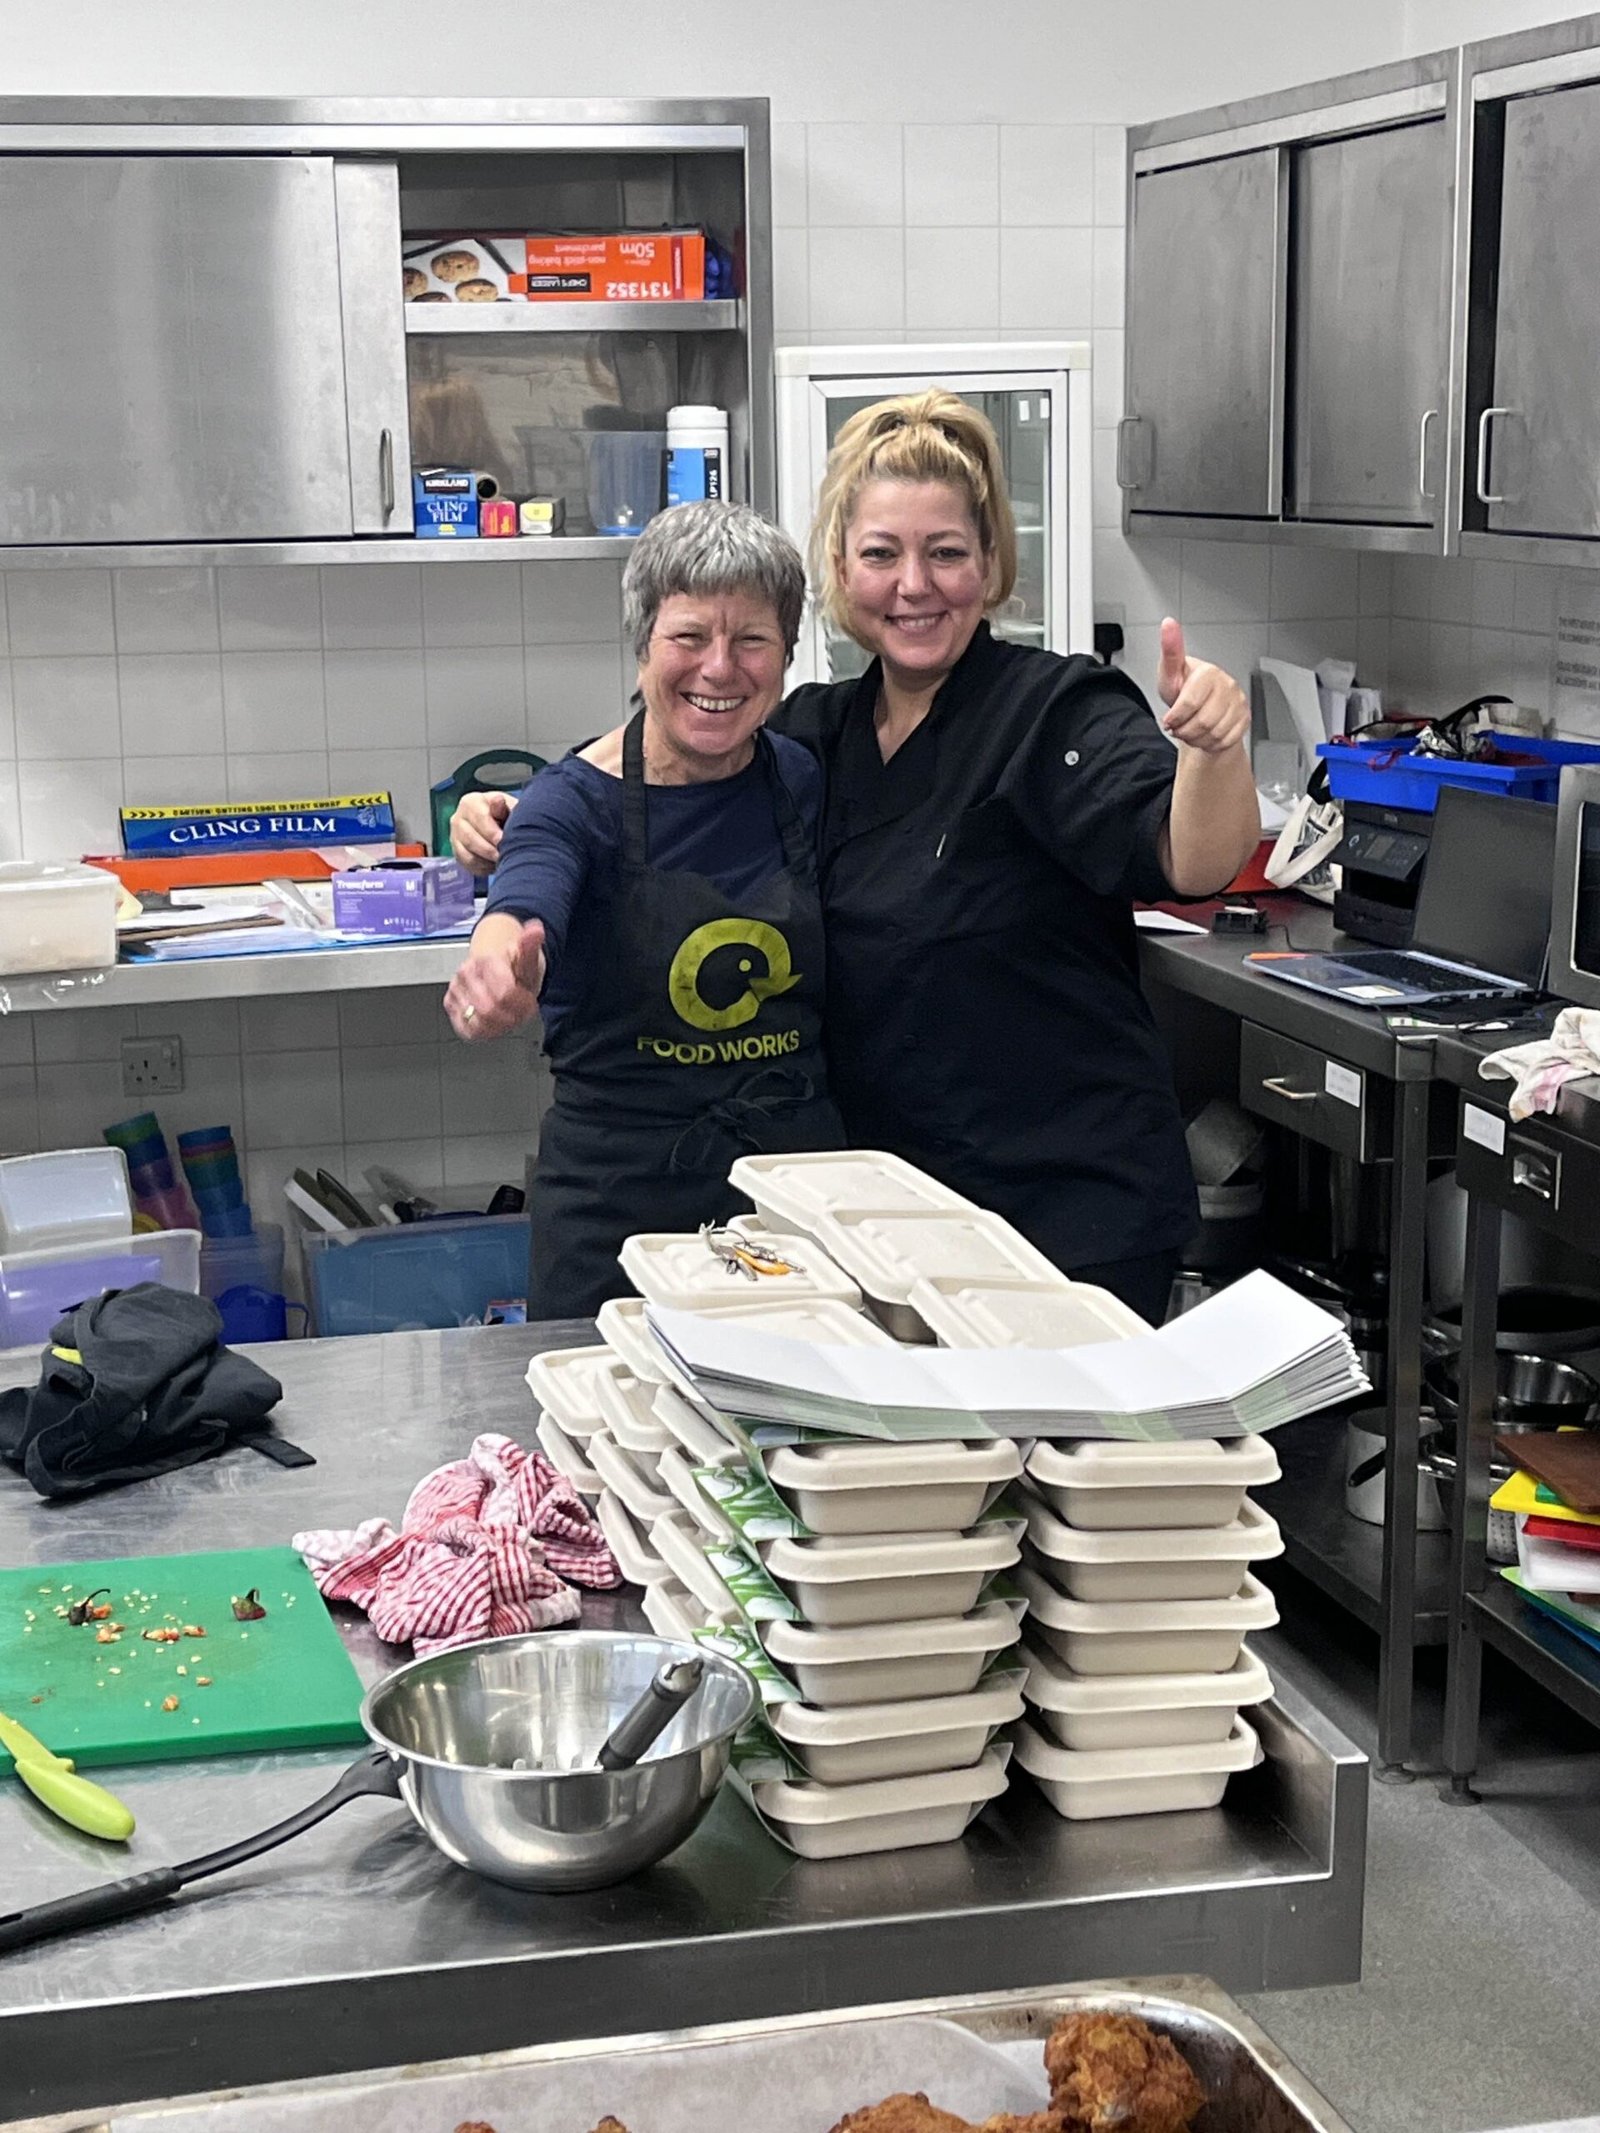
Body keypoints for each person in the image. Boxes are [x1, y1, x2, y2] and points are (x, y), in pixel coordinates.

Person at [454, 395, 1257, 1324]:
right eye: (882, 554)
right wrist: (523, 816)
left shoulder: (1057, 710)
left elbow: (1192, 858)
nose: (914, 584)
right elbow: (664, 756)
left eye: (946, 552)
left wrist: (1214, 748)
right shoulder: (816, 736)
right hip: (884, 1229)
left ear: (991, 563)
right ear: (843, 570)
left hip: (1064, 1217)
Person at [444, 500, 843, 1320]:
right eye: (689, 636)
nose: (719, 668)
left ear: (787, 654)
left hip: (795, 1199)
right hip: (617, 1210)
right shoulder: (572, 800)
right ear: (642, 646)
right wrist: (498, 965)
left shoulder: (805, 780)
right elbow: (525, 895)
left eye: (752, 639)